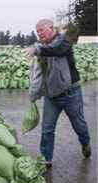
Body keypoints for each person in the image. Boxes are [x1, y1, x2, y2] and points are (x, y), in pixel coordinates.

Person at [25, 19, 91, 167]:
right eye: (37, 31)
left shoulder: (64, 41)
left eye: (41, 30)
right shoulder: (41, 47)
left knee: (79, 124)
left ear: (51, 28)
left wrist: (38, 50)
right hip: (52, 96)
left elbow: (57, 49)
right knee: (47, 129)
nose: (39, 34)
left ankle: (85, 143)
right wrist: (34, 93)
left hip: (71, 93)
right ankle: (46, 159)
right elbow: (37, 75)